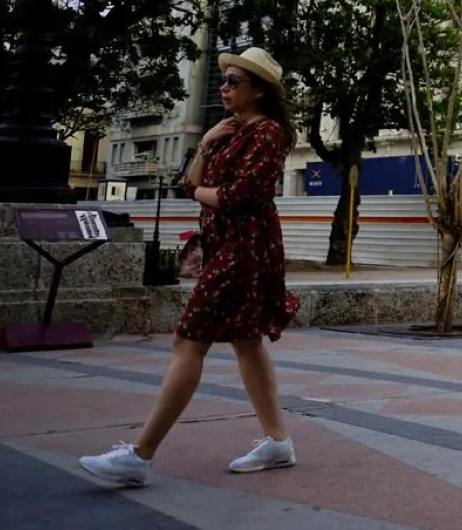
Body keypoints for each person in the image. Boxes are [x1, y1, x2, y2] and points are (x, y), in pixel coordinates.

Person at [80, 47, 300, 486]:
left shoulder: (268, 133)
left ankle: (140, 456)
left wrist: (200, 190)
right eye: (224, 80)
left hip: (245, 248)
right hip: (225, 246)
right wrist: (205, 144)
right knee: (246, 341)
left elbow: (237, 197)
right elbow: (190, 182)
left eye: (233, 81)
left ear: (257, 90)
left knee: (188, 339)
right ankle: (277, 441)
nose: (224, 87)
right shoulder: (229, 132)